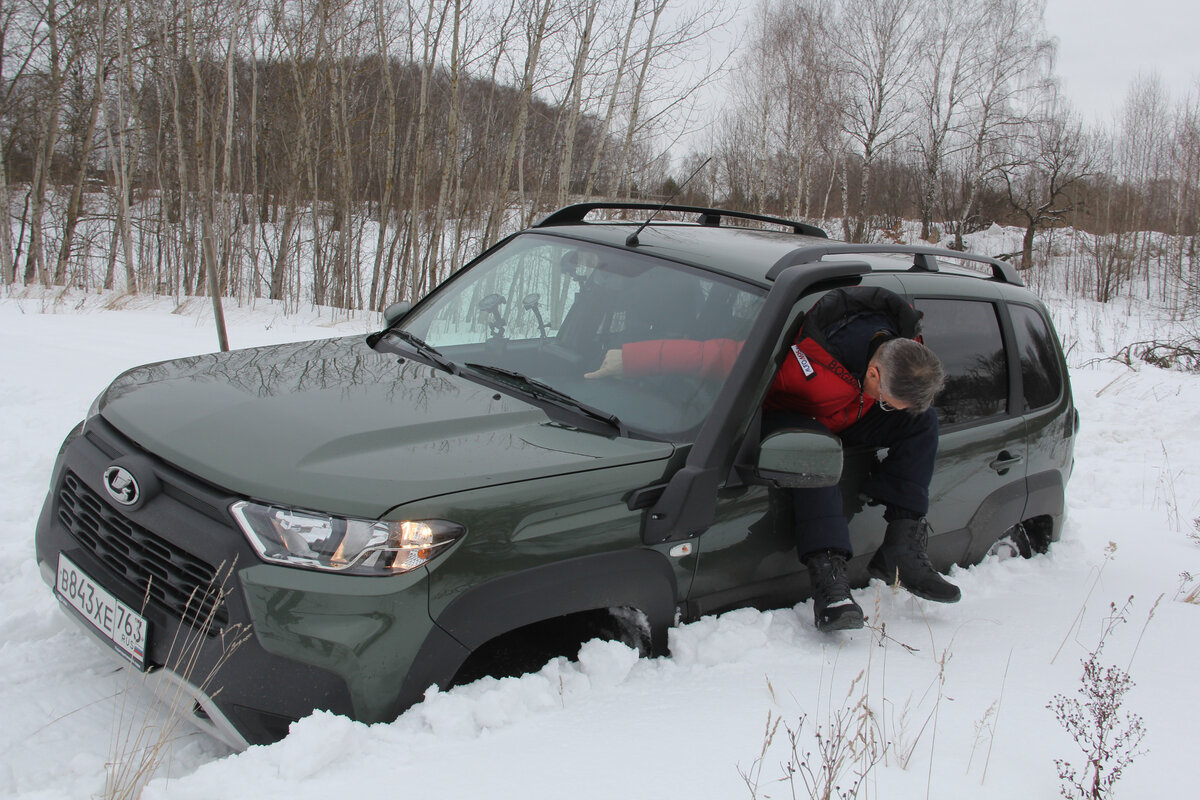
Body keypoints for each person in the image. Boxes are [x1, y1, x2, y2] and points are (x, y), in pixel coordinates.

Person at [585, 286, 957, 632]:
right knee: (812, 451)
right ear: (874, 373)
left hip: (846, 414)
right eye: (888, 401)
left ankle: (902, 547)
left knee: (921, 421)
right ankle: (829, 579)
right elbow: (718, 355)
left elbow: (903, 400)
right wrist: (631, 358)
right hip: (793, 419)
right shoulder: (807, 355)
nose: (887, 408)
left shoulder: (905, 351)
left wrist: (895, 406)